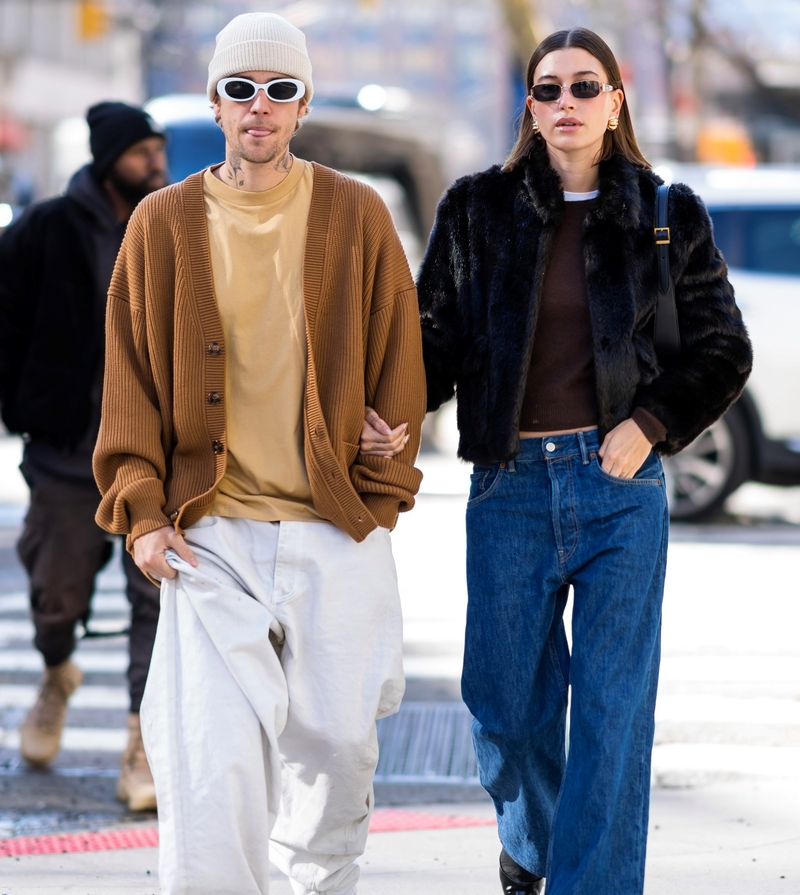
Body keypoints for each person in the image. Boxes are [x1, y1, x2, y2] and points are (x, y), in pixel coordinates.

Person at [360, 27, 753, 895]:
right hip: (511, 485)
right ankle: (531, 842)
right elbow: (434, 340)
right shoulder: (476, 209)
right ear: (529, 108)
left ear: (616, 101)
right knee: (505, 705)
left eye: (585, 87)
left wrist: (649, 423)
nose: (566, 104)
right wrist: (393, 414)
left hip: (622, 492)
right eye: (549, 90)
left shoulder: (666, 212)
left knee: (612, 716)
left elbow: (724, 349)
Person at [93, 12, 425, 895]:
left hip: (334, 525)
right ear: (216, 102)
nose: (260, 107)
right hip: (212, 536)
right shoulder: (161, 224)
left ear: (303, 103)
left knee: (338, 756)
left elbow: (399, 352)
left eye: (279, 90)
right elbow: (126, 375)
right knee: (210, 769)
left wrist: (386, 465)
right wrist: (143, 514)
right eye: (241, 89)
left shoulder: (356, 213)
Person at [0, 102, 168, 811]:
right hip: (68, 451)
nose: (154, 163)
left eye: (158, 151)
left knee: (155, 599)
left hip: (158, 455)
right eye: (140, 153)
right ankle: (56, 670)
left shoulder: (174, 224)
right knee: (56, 593)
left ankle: (142, 741)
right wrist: (25, 405)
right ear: (108, 157)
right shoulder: (44, 228)